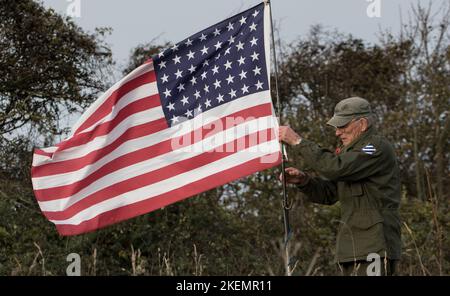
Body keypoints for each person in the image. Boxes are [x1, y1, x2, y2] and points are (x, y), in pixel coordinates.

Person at [278, 97, 401, 276]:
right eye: (337, 126)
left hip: (374, 246)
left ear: (363, 124)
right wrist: (304, 181)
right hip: (352, 248)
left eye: (343, 126)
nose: (337, 132)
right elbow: (329, 194)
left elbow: (335, 168)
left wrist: (298, 142)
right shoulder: (351, 152)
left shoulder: (374, 148)